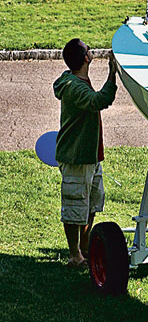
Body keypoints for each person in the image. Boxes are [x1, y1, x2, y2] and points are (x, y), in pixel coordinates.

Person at [54, 39, 118, 267]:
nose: (91, 51)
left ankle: (84, 247)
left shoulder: (77, 80)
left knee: (91, 203)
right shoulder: (73, 87)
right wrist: (113, 74)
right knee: (74, 206)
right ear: (85, 58)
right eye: (88, 49)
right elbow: (100, 100)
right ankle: (74, 256)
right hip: (76, 157)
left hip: (90, 156)